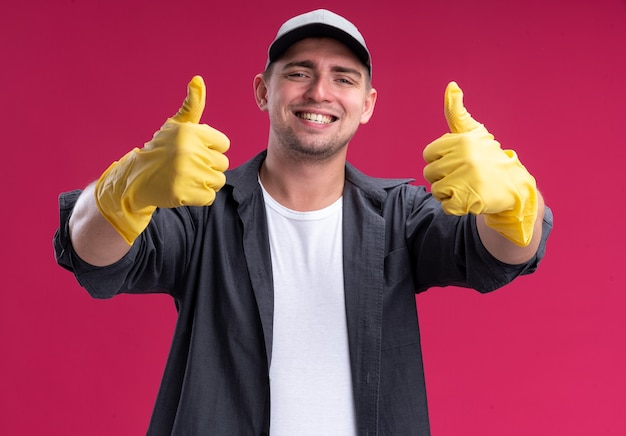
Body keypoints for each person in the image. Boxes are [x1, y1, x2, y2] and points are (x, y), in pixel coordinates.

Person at [54, 9, 553, 436]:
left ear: (367, 104)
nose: (320, 92)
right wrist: (124, 187)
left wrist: (513, 204)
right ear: (262, 91)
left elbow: (498, 255)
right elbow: (91, 255)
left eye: (343, 77)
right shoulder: (202, 209)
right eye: (298, 72)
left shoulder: (401, 215)